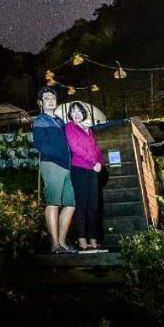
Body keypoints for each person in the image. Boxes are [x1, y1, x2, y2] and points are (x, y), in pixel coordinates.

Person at [31, 86, 76, 254]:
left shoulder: (59, 121)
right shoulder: (40, 121)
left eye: (53, 98)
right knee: (53, 202)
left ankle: (62, 242)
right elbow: (41, 145)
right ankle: (55, 244)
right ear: (41, 103)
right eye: (47, 98)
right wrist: (59, 157)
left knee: (71, 203)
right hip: (52, 164)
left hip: (67, 165)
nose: (51, 100)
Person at [65, 101, 105, 252]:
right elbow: (76, 148)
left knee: (93, 205)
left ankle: (93, 239)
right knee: (81, 204)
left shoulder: (88, 129)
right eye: (73, 111)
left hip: (93, 170)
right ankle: (82, 239)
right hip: (79, 169)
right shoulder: (70, 127)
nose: (77, 114)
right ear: (70, 114)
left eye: (79, 111)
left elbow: (96, 149)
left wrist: (100, 162)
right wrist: (93, 161)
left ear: (84, 113)